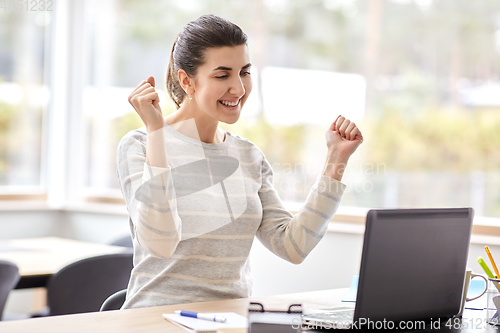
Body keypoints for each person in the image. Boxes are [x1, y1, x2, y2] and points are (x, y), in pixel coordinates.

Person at [117, 14, 363, 309]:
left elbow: (293, 246)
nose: (239, 88)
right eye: (222, 75)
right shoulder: (139, 145)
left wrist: (336, 160)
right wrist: (156, 131)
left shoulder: (248, 156)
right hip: (153, 321)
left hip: (228, 321)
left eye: (244, 72)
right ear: (187, 80)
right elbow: (161, 242)